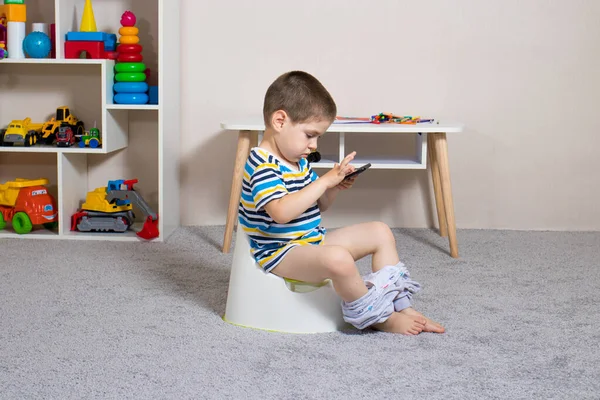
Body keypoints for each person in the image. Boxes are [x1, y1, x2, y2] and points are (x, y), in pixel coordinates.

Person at [238, 71, 444, 335]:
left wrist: (334, 187)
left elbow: (318, 206)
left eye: (318, 138)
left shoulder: (297, 161)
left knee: (380, 231)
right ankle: (378, 317)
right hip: (280, 253)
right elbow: (280, 212)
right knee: (339, 259)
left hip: (310, 242)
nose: (313, 145)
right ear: (279, 121)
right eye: (309, 135)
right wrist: (322, 182)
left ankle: (400, 305)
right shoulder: (262, 165)